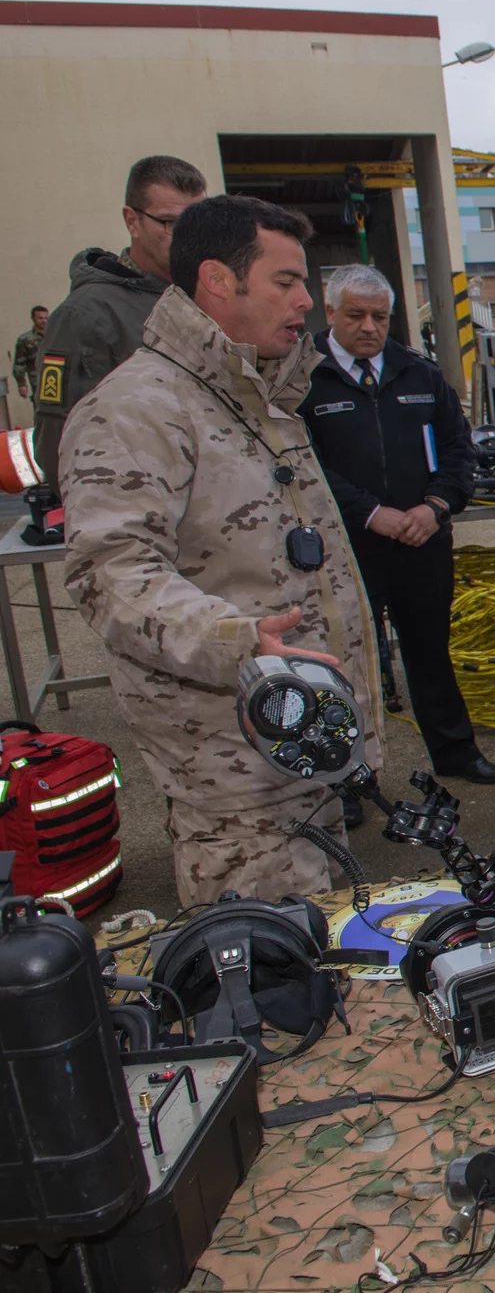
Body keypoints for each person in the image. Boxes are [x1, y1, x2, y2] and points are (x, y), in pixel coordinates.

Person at [60, 195, 381, 906]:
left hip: (295, 746)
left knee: (320, 942)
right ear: (216, 279)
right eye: (286, 281)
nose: (307, 301)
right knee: (269, 977)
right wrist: (237, 640)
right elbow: (109, 573)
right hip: (233, 764)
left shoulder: (254, 398)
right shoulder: (138, 409)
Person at [301, 264, 495, 797]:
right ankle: (344, 777)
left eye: (381, 317)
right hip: (348, 546)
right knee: (345, 663)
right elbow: (306, 467)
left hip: (421, 541)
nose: (370, 327)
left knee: (429, 651)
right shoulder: (304, 378)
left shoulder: (420, 374)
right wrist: (371, 513)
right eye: (356, 315)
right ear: (330, 313)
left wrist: (434, 507)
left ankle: (455, 751)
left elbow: (459, 450)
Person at [35, 155, 208, 496]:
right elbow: (60, 449)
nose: (190, 239)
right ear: (133, 221)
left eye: (199, 224)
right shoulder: (86, 315)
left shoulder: (209, 298)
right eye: (172, 223)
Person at [11, 305, 47, 410]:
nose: (43, 321)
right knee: (41, 410)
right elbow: (19, 364)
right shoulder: (25, 340)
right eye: (40, 318)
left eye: (46, 318)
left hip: (58, 378)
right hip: (38, 382)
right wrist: (21, 384)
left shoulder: (54, 336)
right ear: (33, 319)